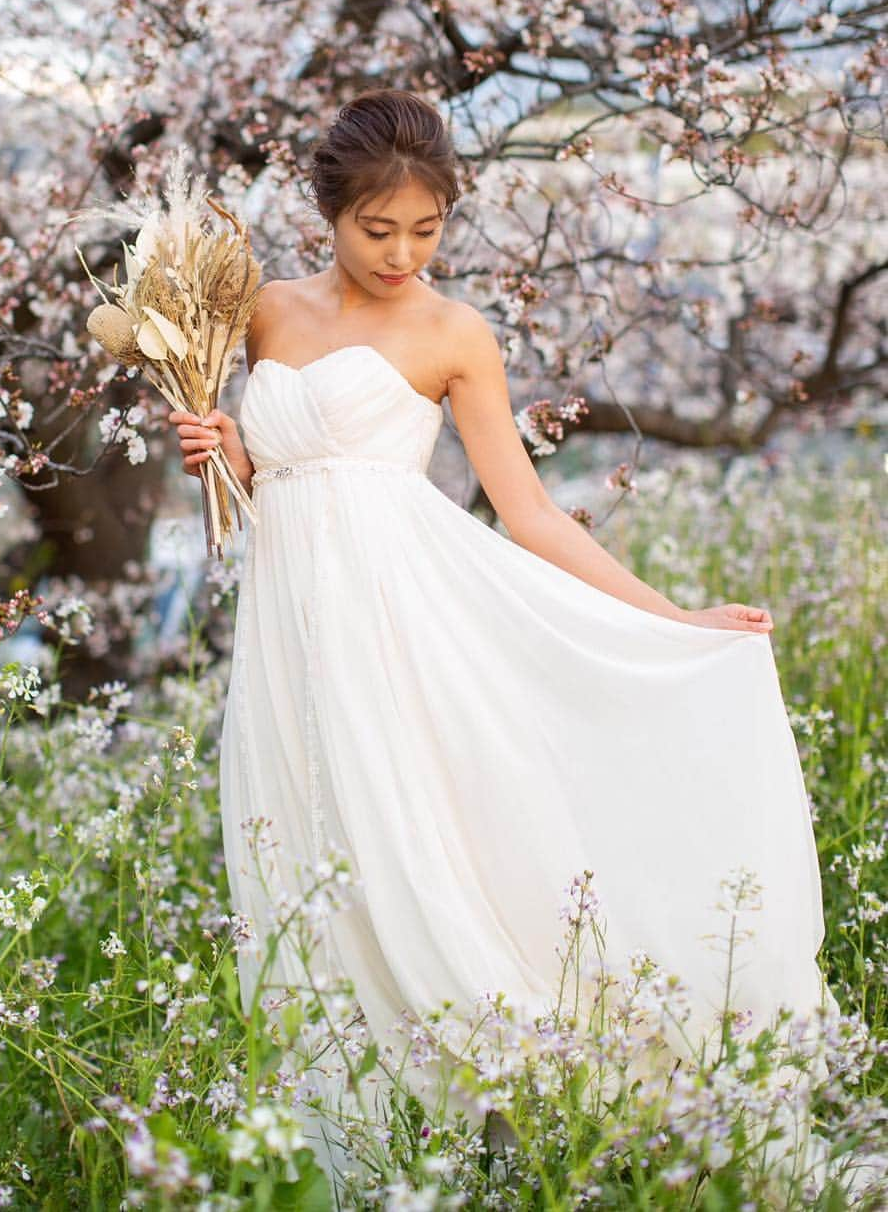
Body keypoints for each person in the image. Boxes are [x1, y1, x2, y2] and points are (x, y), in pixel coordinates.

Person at [167, 89, 838, 1191]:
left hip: (408, 625)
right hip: (290, 639)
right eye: (376, 230)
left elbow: (524, 509)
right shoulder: (263, 312)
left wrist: (672, 616)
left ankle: (518, 1107)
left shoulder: (452, 332)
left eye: (426, 230)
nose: (401, 252)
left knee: (428, 849)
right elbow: (264, 484)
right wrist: (216, 445)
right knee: (312, 856)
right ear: (327, 214)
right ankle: (364, 1145)